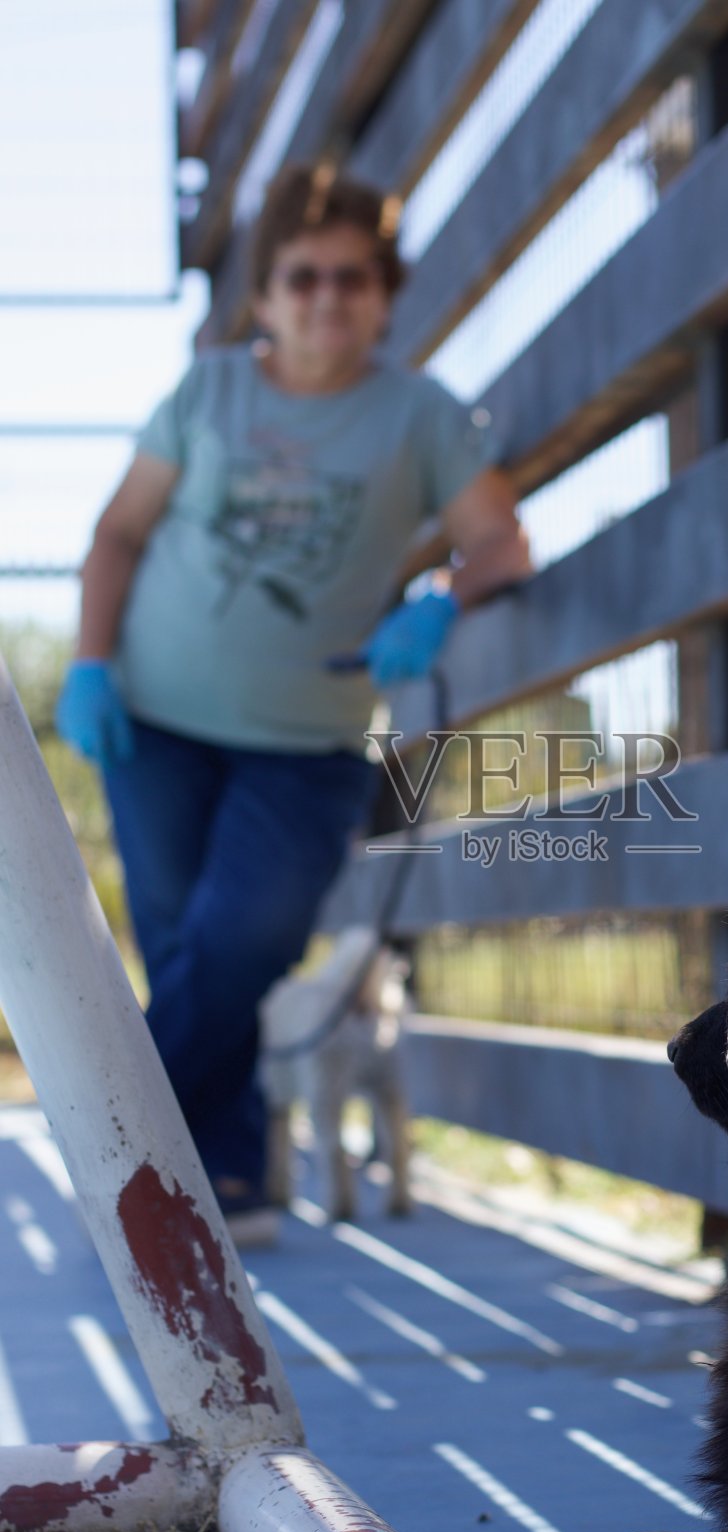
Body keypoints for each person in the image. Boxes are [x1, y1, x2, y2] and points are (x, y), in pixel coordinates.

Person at [55, 164, 532, 1245]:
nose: (326, 298)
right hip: (158, 722)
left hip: (309, 740)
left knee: (246, 939)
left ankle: (110, 1141)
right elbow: (118, 533)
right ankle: (221, 1184)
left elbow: (500, 536)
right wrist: (89, 664)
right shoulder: (207, 394)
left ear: (383, 293)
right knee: (179, 941)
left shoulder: (418, 415)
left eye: (351, 279)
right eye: (301, 277)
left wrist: (441, 601)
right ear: (265, 296)